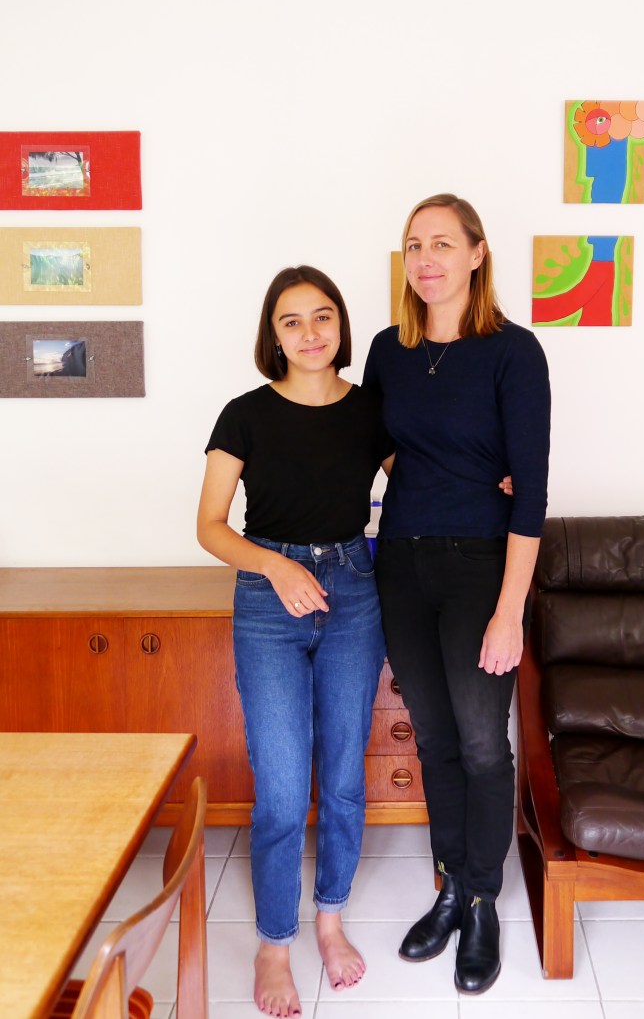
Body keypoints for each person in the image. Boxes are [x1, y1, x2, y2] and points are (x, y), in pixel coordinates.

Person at [363, 194, 551, 994]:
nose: (426, 258)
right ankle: (449, 886)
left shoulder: (514, 351)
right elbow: (378, 446)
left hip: (482, 568)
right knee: (434, 740)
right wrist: (442, 474)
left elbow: (531, 492)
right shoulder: (389, 349)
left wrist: (510, 611)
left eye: (442, 243)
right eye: (414, 244)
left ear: (477, 254)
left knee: (480, 743)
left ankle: (481, 902)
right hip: (402, 564)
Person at [197, 265, 393, 1017]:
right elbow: (210, 526)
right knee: (281, 787)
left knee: (342, 775)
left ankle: (330, 920)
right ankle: (275, 943)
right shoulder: (244, 415)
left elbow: (421, 482)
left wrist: (493, 482)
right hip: (267, 600)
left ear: (340, 325)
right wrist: (276, 565)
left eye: (323, 317)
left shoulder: (370, 410)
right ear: (272, 334)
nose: (310, 333)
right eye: (292, 320)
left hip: (352, 592)